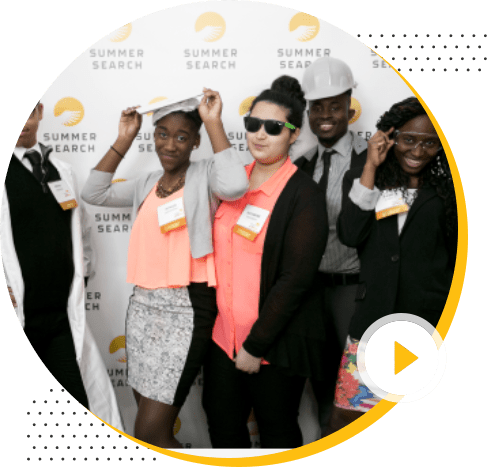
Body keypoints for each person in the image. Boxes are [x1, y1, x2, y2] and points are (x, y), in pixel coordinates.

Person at [80, 90, 248, 448]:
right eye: (162, 134)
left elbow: (235, 185)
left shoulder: (206, 175)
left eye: (182, 137)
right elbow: (93, 193)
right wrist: (124, 138)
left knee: (150, 431)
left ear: (195, 142)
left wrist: (214, 121)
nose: (169, 144)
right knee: (146, 429)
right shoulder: (147, 183)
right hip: (142, 307)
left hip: (185, 308)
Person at [202, 76, 328, 448]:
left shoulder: (304, 194)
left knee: (277, 432)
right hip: (223, 338)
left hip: (273, 342)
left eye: (273, 127)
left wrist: (256, 346)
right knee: (222, 428)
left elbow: (295, 279)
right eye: (253, 123)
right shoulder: (232, 182)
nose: (260, 134)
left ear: (293, 134)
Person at [328, 96, 457, 433]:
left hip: (426, 324)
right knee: (345, 416)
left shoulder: (450, 188)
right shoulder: (364, 178)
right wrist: (371, 166)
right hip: (373, 318)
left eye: (430, 143)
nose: (418, 150)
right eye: (408, 139)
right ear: (390, 136)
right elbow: (350, 234)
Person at [1, 102, 123, 430]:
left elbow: (80, 232)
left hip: (60, 318)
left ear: (40, 111)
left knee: (77, 400)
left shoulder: (61, 170)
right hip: (19, 318)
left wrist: (81, 275)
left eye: (27, 112)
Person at [293, 56, 368, 435]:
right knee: (323, 388)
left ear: (349, 108)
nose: (325, 115)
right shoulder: (302, 165)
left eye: (335, 106)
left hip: (352, 291)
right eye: (317, 107)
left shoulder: (371, 161)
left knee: (359, 390)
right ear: (308, 111)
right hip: (311, 293)